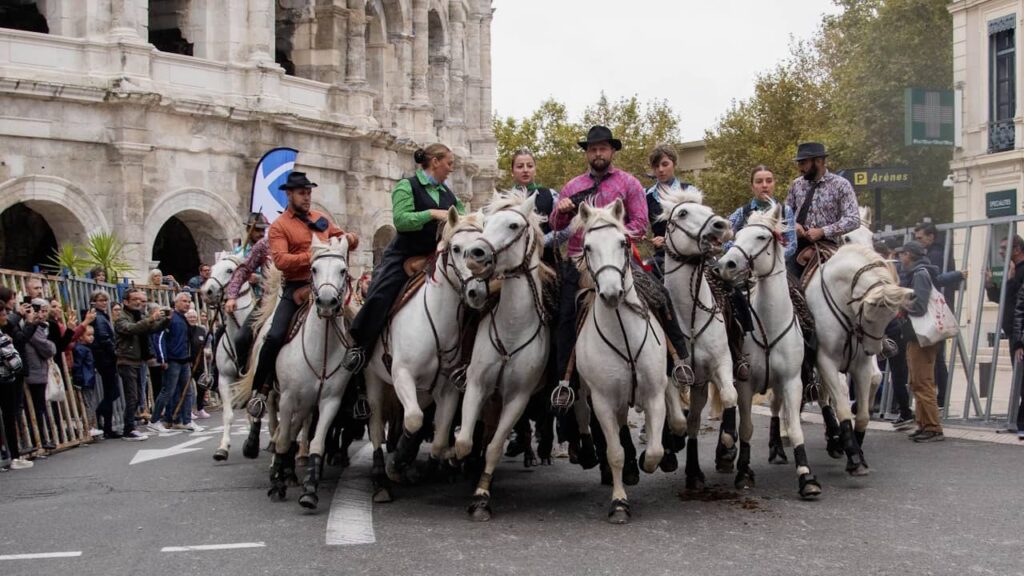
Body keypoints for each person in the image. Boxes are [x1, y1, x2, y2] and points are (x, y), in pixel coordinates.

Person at [549, 126, 691, 390]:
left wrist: (615, 237)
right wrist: (562, 210)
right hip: (580, 261)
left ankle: (678, 362)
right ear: (587, 154)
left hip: (620, 258)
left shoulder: (629, 183)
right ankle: (564, 383)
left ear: (612, 151)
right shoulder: (573, 186)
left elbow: (640, 222)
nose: (598, 153)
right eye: (593, 149)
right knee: (564, 315)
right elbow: (555, 225)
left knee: (659, 295)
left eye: (602, 148)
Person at [247, 171, 357, 416]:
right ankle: (261, 391)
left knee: (357, 328)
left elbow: (340, 237)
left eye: (308, 193)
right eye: (301, 193)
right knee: (274, 335)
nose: (306, 197)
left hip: (328, 284)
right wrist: (315, 255)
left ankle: (357, 395)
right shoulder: (279, 227)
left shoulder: (321, 218)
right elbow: (281, 260)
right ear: (289, 195)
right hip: (297, 288)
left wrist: (350, 238)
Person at [345, 145, 461, 370]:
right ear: (435, 162)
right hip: (404, 255)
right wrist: (431, 214)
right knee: (381, 294)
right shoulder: (406, 186)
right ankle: (360, 347)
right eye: (449, 163)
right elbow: (401, 220)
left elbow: (461, 218)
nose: (451, 169)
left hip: (437, 256)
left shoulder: (449, 194)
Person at [783, 142, 860, 280]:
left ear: (818, 161)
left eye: (803, 163)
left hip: (828, 246)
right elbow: (785, 215)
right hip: (797, 246)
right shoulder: (796, 185)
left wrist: (822, 231)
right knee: (784, 281)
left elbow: (853, 219)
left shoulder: (841, 185)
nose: (800, 168)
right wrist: (793, 225)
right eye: (799, 163)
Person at [895, 240, 945, 443]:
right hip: (915, 335)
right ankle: (923, 423)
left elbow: (920, 306)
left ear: (910, 255)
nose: (900, 258)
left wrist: (901, 303)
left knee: (923, 382)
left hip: (921, 335)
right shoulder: (918, 273)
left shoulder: (919, 274)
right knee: (916, 381)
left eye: (903, 254)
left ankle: (933, 427)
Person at [114, 288, 169, 441]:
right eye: (134, 300)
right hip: (127, 360)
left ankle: (131, 425)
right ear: (125, 302)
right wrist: (151, 319)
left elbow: (153, 328)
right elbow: (132, 329)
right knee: (132, 396)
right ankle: (128, 429)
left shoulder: (139, 315)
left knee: (139, 396)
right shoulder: (121, 318)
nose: (138, 302)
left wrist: (166, 319)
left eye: (140, 299)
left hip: (139, 361)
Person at [645, 144, 703, 278]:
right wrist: (648, 239)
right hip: (661, 256)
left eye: (665, 164)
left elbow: (698, 226)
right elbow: (639, 226)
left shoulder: (690, 191)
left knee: (726, 285)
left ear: (674, 163)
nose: (660, 170)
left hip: (690, 253)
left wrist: (667, 239)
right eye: (656, 166)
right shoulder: (645, 195)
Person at [224, 212, 271, 369]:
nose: (260, 234)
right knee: (221, 334)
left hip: (260, 296)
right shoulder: (238, 253)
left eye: (263, 231)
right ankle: (214, 374)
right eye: (257, 230)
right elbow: (235, 274)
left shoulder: (268, 247)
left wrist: (258, 279)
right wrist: (230, 294)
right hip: (239, 299)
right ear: (249, 230)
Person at [728, 165, 797, 260]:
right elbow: (723, 238)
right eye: (759, 181)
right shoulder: (742, 212)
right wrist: (739, 252)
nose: (764, 185)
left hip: (778, 268)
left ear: (774, 184)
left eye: (769, 181)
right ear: (752, 186)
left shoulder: (785, 210)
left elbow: (792, 245)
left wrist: (768, 258)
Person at [149, 293, 193, 432]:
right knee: (167, 391)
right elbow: (159, 338)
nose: (187, 304)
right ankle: (154, 420)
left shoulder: (183, 319)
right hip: (173, 361)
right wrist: (163, 359)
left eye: (189, 301)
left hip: (184, 360)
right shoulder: (170, 318)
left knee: (187, 391)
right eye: (184, 301)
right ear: (176, 302)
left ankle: (185, 421)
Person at [0, 289, 32, 470]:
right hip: (5, 381)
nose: (6, 316)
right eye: (4, 314)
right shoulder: (3, 338)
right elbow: (15, 363)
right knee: (9, 416)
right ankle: (14, 456)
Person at [23, 297, 57, 450]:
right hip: (34, 370)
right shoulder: (33, 327)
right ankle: (38, 439)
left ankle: (42, 438)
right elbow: (46, 348)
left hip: (38, 370)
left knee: (40, 406)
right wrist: (52, 346)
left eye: (45, 311)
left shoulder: (42, 326)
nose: (43, 315)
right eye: (41, 311)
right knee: (36, 407)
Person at [88, 291, 120, 439]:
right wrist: (115, 353)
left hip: (105, 358)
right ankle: (105, 422)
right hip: (105, 358)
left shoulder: (101, 316)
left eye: (105, 300)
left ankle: (106, 424)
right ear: (94, 302)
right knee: (111, 391)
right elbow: (104, 338)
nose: (104, 303)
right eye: (100, 300)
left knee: (112, 392)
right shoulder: (99, 318)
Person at [187, 309, 211, 420]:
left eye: (194, 317)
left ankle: (200, 408)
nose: (192, 319)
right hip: (187, 362)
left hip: (200, 362)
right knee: (188, 388)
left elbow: (206, 343)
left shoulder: (201, 330)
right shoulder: (185, 330)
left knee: (201, 385)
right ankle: (189, 410)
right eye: (190, 317)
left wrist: (207, 350)